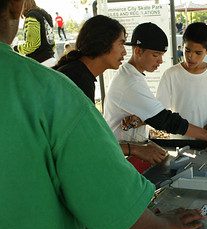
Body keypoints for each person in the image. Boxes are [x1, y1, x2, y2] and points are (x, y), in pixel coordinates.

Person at [0, 1, 204, 229]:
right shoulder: (53, 90)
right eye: (122, 43)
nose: (124, 51)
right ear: (16, 7)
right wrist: (164, 223)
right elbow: (116, 213)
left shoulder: (69, 81)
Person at [103, 22, 207, 166]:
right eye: (156, 55)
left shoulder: (133, 76)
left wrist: (139, 122)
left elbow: (152, 113)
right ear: (138, 51)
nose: (161, 61)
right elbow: (164, 119)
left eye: (161, 55)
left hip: (129, 150)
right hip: (121, 156)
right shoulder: (131, 81)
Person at [53, 15, 167, 168]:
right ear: (104, 44)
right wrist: (136, 150)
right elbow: (84, 143)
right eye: (121, 44)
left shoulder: (79, 74)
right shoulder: (77, 79)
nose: (125, 53)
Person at [157, 22, 207, 138]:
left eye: (198, 53)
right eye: (187, 50)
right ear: (182, 46)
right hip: (180, 142)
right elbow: (160, 110)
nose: (191, 57)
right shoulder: (171, 74)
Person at [13, 0, 55, 66]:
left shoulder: (31, 16)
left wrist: (15, 49)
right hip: (51, 59)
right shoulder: (45, 15)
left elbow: (32, 45)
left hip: (40, 62)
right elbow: (51, 41)